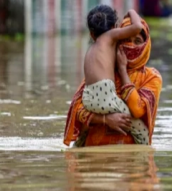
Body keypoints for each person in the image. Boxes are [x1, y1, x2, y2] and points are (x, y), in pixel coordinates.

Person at [64, 17, 162, 147]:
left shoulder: (151, 77)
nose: (131, 46)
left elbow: (138, 110)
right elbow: (77, 109)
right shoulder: (103, 71)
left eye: (137, 41)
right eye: (126, 40)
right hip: (93, 155)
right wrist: (105, 120)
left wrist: (122, 71)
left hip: (131, 160)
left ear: (146, 45)